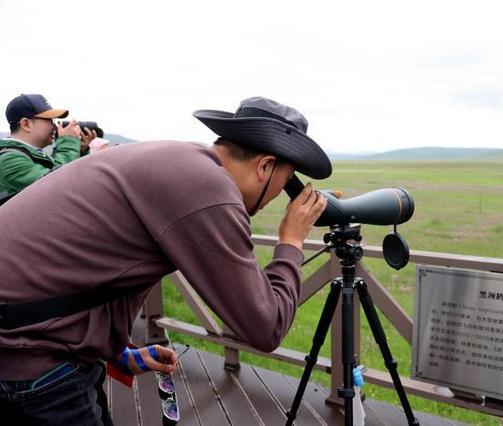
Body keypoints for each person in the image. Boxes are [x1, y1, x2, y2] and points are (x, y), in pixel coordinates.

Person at [0, 96, 331, 425]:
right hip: (33, 357)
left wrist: (119, 351)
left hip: (24, 340)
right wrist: (291, 240)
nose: (281, 195)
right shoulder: (208, 188)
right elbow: (265, 327)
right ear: (265, 166)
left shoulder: (178, 161)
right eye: (287, 181)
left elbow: (86, 266)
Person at [0, 93, 97, 202]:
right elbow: (58, 185)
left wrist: (81, 150)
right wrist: (69, 142)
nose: (55, 126)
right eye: (50, 120)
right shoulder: (8, 160)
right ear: (26, 124)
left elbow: (80, 181)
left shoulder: (34, 154)